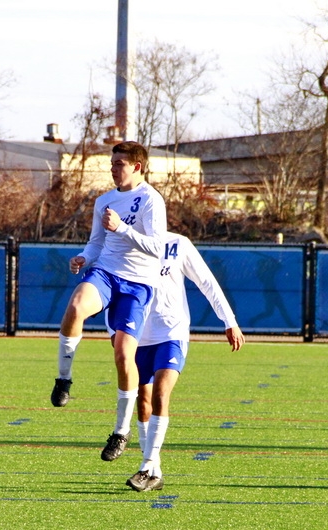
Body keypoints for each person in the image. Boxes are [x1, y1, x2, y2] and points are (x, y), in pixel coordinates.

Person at [51, 141, 168, 460]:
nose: (113, 168)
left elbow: (157, 248)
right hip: (105, 274)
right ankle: (64, 379)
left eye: (119, 163)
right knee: (75, 307)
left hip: (138, 285)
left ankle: (120, 431)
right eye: (112, 163)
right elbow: (96, 243)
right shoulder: (104, 200)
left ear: (137, 167)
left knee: (122, 354)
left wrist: (124, 228)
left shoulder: (151, 200)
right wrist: (83, 258)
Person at [113, 232, 244, 492]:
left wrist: (229, 321)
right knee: (144, 402)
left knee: (161, 394)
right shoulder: (125, 243)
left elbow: (207, 281)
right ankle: (155, 472)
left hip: (172, 333)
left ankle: (145, 466)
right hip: (139, 336)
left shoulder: (178, 244)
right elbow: (113, 292)